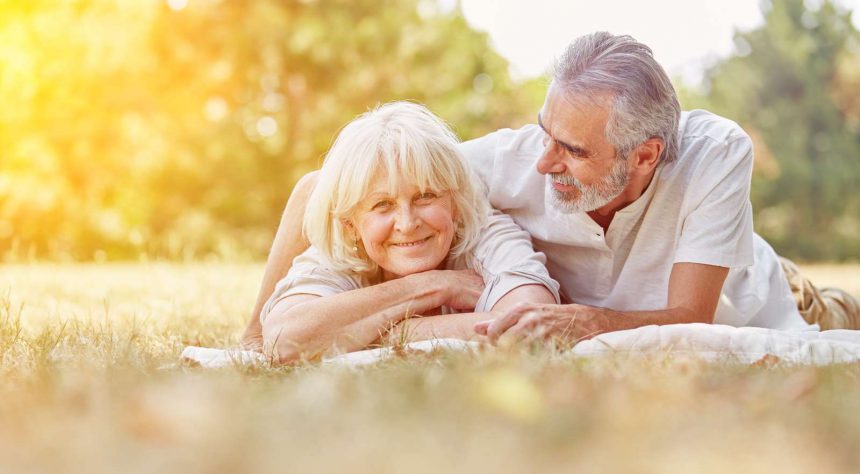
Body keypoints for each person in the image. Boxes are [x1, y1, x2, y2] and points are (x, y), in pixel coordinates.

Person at [244, 32, 859, 349]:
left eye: (573, 150)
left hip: (757, 293)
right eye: (546, 132)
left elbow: (691, 319)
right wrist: (253, 335)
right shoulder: (509, 162)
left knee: (833, 313)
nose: (545, 162)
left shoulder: (713, 152)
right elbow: (319, 188)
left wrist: (585, 322)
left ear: (644, 155)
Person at [258, 101, 559, 362]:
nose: (407, 222)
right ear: (351, 225)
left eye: (425, 196)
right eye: (382, 205)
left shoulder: (486, 232)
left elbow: (535, 326)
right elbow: (283, 339)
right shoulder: (341, 251)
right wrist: (433, 286)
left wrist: (357, 333)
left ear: (455, 203)